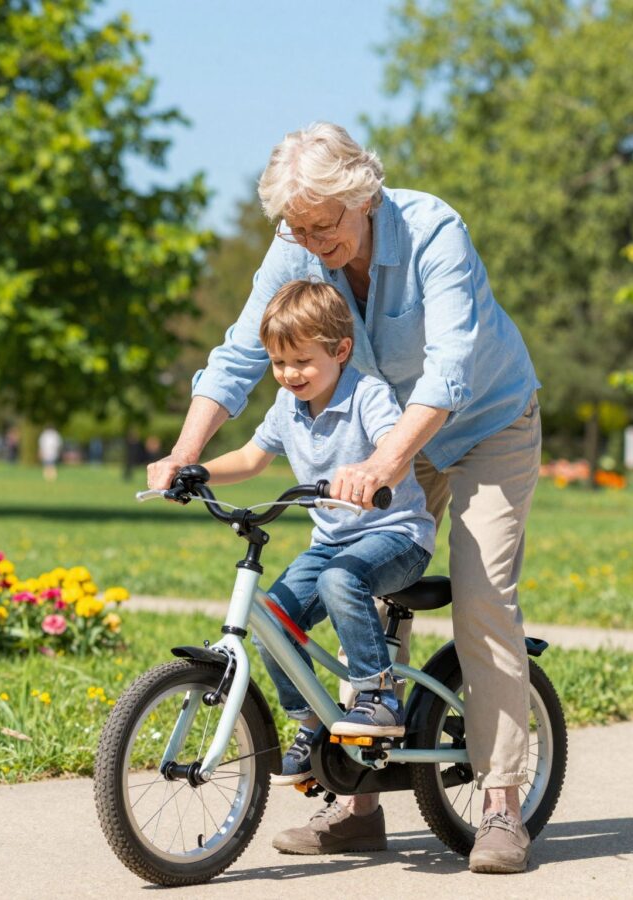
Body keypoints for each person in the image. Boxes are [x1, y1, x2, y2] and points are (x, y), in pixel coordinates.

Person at [148, 122, 542, 874]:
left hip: (485, 419)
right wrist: (185, 451)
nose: (309, 240)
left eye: (322, 225)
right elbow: (239, 353)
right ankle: (359, 802)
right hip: (388, 427)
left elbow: (450, 368)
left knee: (482, 594)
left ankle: (499, 804)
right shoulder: (297, 243)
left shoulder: (433, 232)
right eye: (294, 226)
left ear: (363, 197)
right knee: (359, 581)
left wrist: (384, 465)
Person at [199, 279, 435, 786]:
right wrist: (196, 471)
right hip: (332, 541)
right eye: (279, 364)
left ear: (341, 351)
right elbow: (250, 457)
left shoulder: (368, 394)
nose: (289, 375)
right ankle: (310, 726)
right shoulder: (285, 407)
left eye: (302, 361)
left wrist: (370, 473)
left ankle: (378, 694)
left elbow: (393, 452)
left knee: (339, 581)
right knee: (273, 617)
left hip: (396, 534)